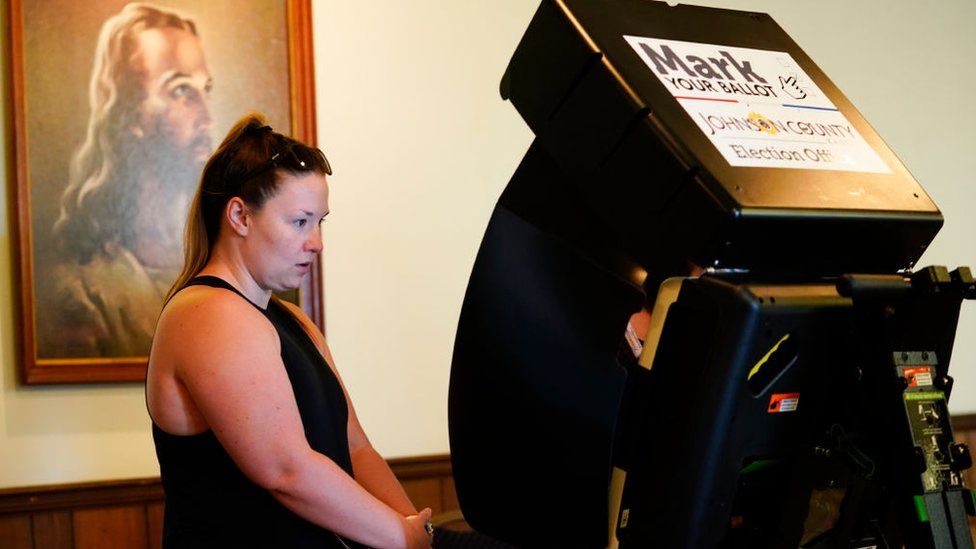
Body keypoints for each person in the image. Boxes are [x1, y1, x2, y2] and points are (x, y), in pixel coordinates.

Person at [146, 114, 433, 548]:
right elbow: (287, 471)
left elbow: (355, 448)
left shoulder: (293, 321)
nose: (316, 241)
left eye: (321, 222)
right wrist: (402, 537)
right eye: (300, 221)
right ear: (240, 216)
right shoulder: (207, 312)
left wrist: (415, 528)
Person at [38, 3, 213, 358]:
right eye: (180, 90)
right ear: (131, 112)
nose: (207, 116)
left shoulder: (220, 263)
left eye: (205, 89)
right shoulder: (85, 288)